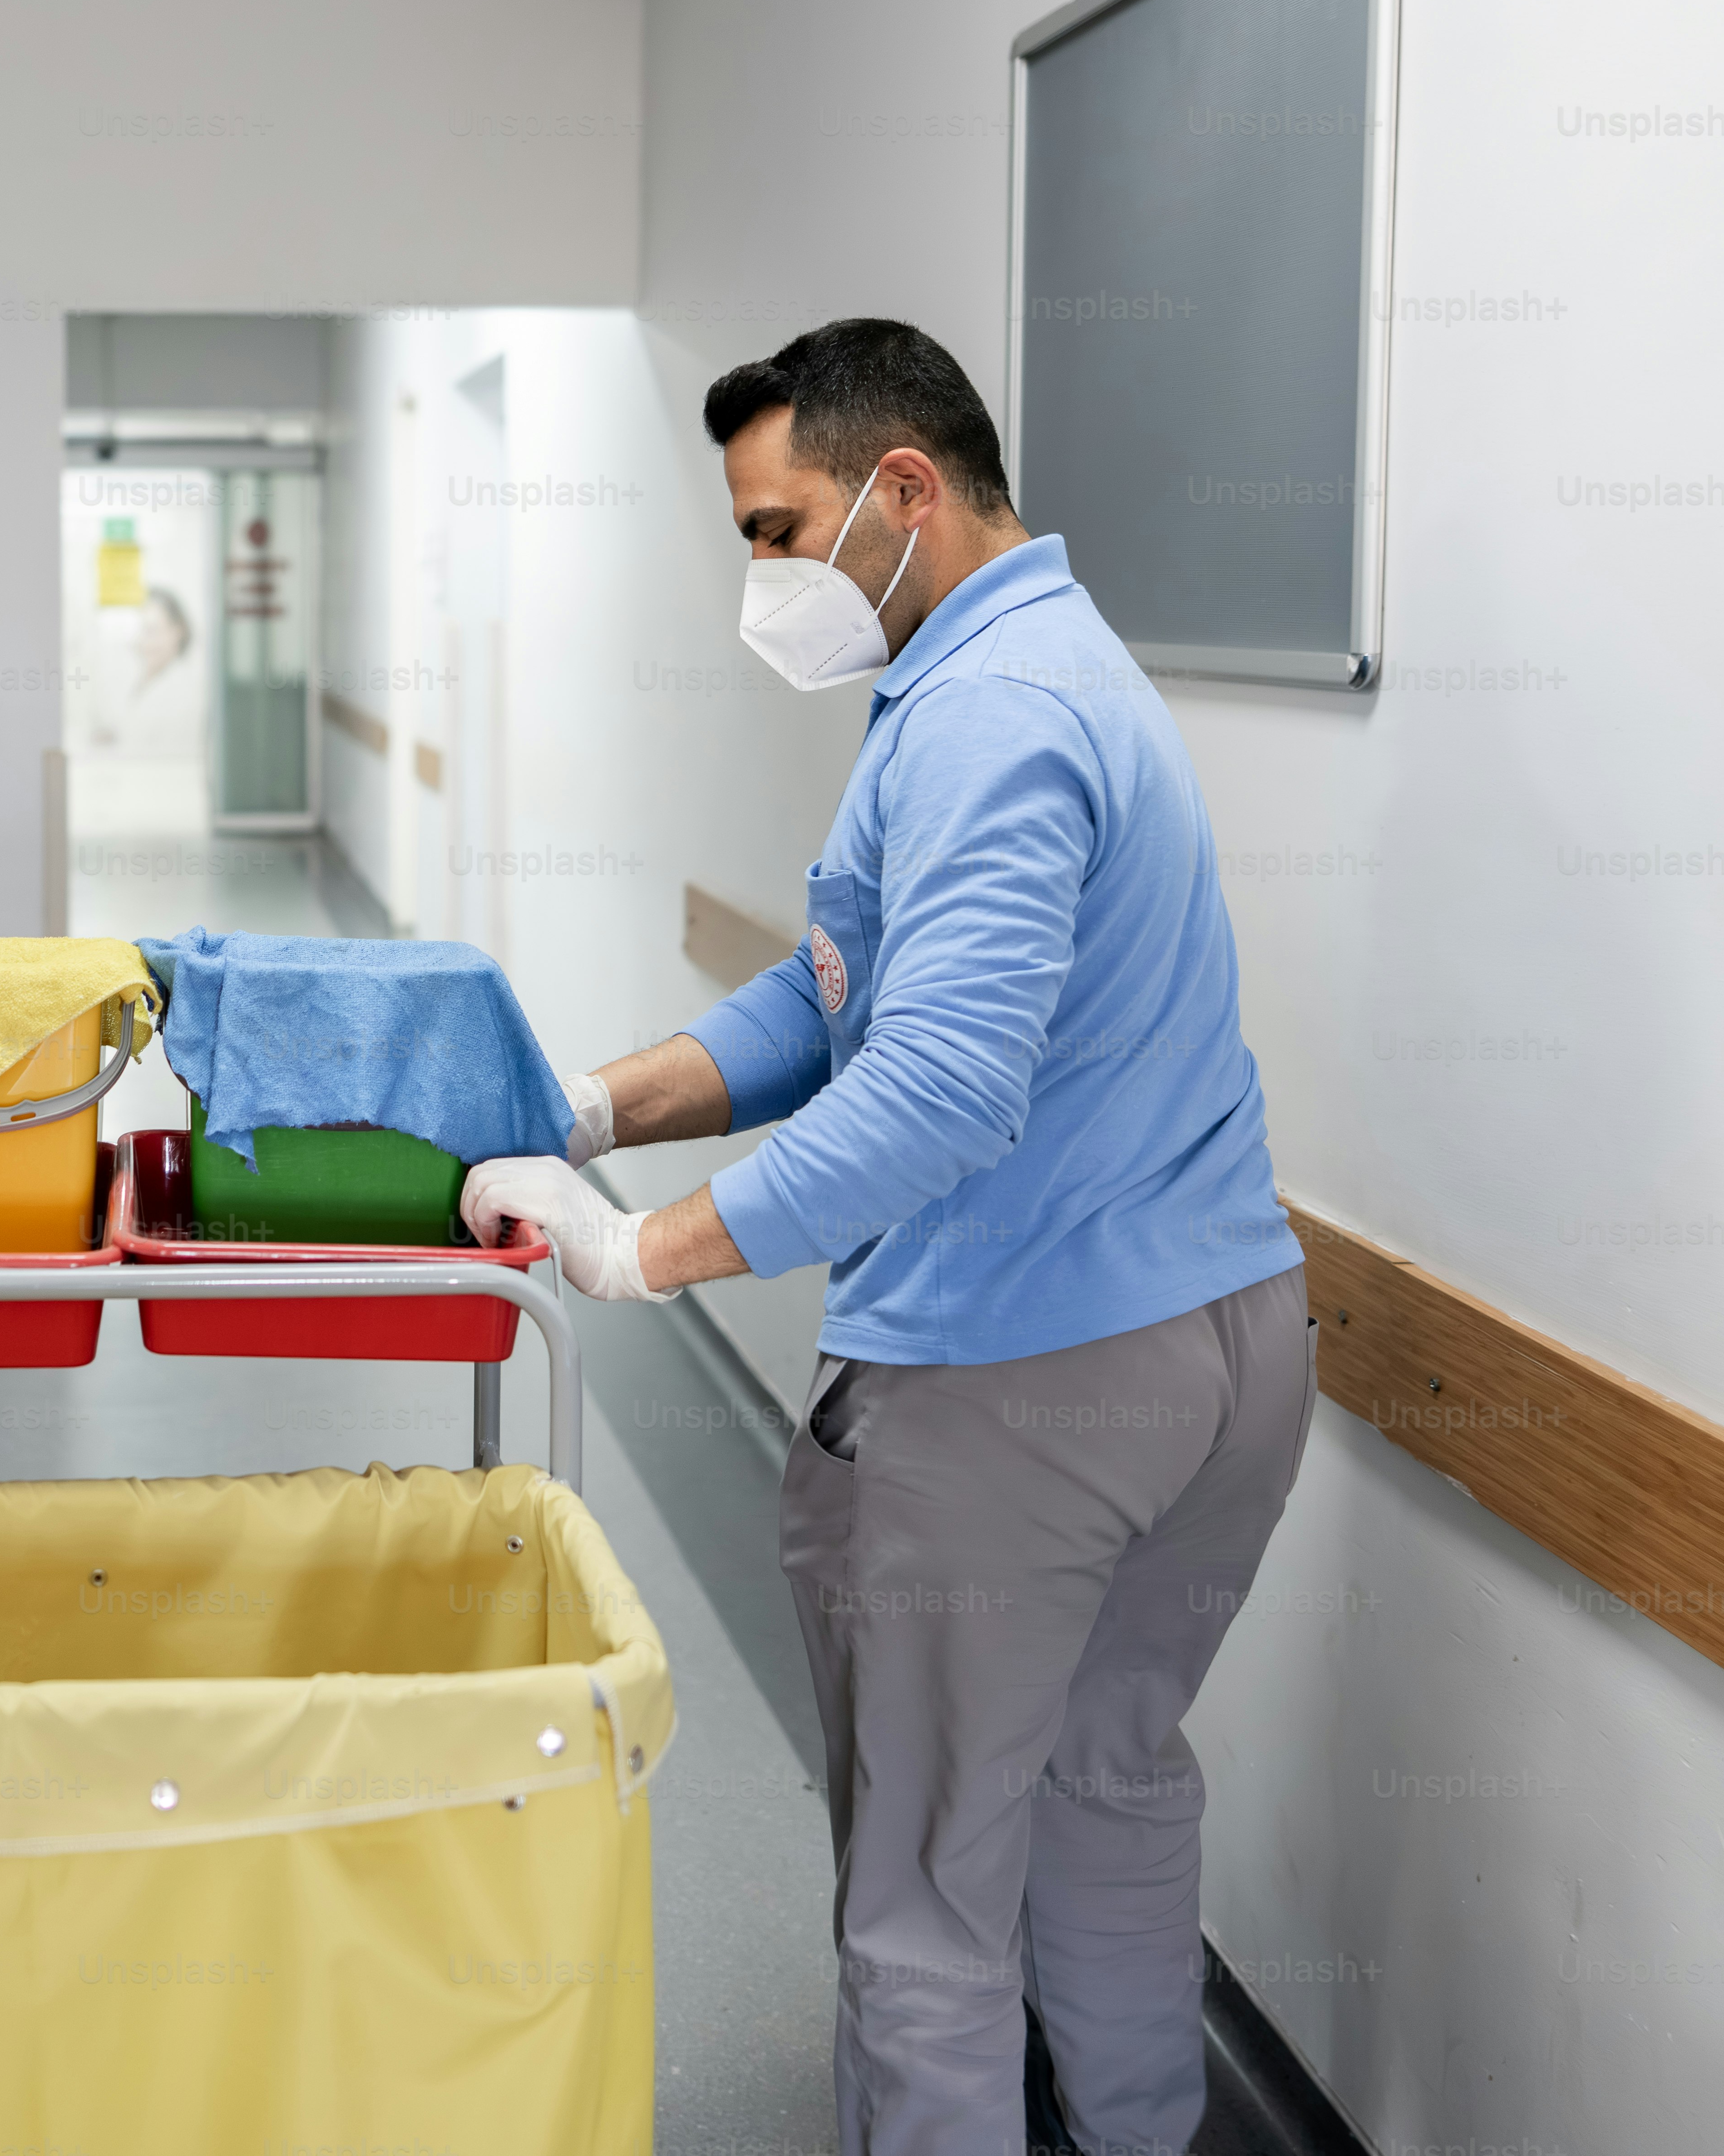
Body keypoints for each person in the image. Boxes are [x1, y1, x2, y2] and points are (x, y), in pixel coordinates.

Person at [464, 319, 1309, 2156]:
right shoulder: (1038, 665)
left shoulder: (988, 716)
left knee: (929, 1888)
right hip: (1225, 1348)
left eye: (776, 531)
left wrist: (634, 1253)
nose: (761, 580)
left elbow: (934, 1089)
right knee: (1104, 1785)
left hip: (1018, 1389)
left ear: (904, 489)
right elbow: (839, 990)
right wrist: (596, 1109)